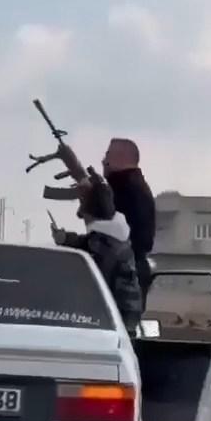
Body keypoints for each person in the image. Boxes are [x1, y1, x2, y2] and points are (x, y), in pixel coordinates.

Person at [51, 167, 143, 334]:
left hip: (110, 326)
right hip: (122, 322)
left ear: (92, 212)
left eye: (83, 206)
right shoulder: (115, 239)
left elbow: (88, 288)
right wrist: (65, 239)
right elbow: (85, 242)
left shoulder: (102, 247)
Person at [101, 138, 156, 306]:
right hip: (129, 267)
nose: (104, 161)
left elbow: (106, 230)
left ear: (121, 157)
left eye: (108, 155)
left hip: (123, 271)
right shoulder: (132, 186)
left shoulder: (124, 188)